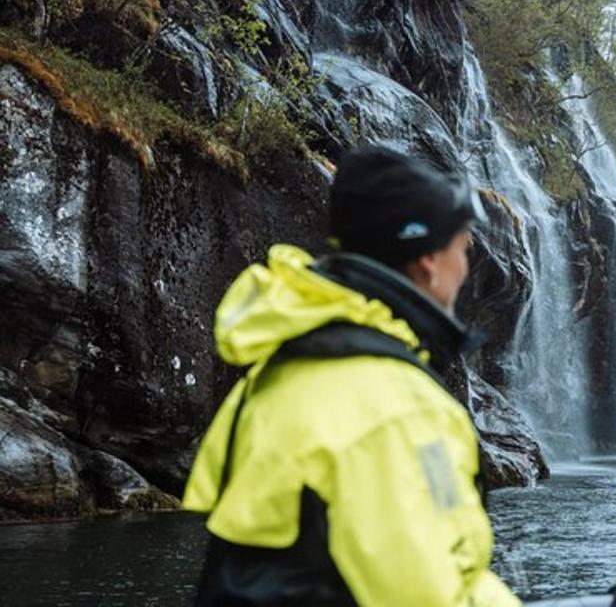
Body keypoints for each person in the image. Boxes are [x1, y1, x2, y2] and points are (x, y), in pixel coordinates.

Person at [183, 145, 520, 606]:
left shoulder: (278, 375)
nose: (465, 268)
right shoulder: (394, 407)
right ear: (428, 259)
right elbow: (427, 595)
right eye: (463, 248)